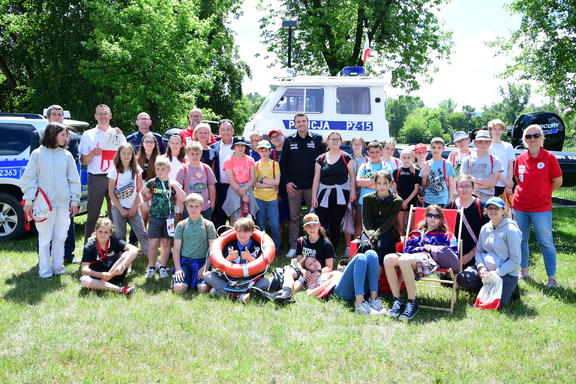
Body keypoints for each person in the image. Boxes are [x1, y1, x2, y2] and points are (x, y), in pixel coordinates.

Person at [21, 122, 81, 278]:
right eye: (62, 135)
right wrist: (28, 200)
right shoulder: (37, 154)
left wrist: (74, 202)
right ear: (52, 135)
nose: (65, 138)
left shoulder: (67, 155)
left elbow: (74, 180)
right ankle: (44, 270)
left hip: (62, 204)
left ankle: (58, 267)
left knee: (61, 237)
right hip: (43, 205)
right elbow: (29, 179)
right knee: (45, 238)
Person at [383, 205, 458, 320]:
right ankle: (397, 301)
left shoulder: (447, 235)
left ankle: (412, 303)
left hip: (430, 259)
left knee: (404, 260)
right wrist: (420, 248)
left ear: (441, 219)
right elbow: (407, 249)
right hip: (411, 257)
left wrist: (432, 248)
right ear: (425, 217)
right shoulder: (416, 234)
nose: (433, 218)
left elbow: (452, 253)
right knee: (388, 258)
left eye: (436, 216)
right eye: (430, 215)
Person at [513, 124, 562, 287]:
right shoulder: (520, 158)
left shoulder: (549, 158)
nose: (532, 139)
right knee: (521, 239)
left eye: (536, 135)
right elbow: (519, 181)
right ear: (524, 140)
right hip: (520, 205)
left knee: (546, 242)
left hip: (541, 207)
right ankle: (524, 270)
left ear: (541, 138)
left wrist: (543, 192)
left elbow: (557, 181)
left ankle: (551, 278)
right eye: (528, 136)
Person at [30, 104, 80, 264]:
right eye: (54, 114)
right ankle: (44, 262)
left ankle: (65, 258)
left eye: (60, 114)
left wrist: (74, 198)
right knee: (44, 232)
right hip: (44, 197)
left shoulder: (69, 146)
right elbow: (32, 174)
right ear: (48, 117)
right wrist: (30, 198)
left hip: (63, 196)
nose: (58, 117)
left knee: (63, 231)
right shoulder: (38, 145)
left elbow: (73, 174)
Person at [279, 113, 327, 258]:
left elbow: (324, 160)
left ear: (308, 122)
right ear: (294, 124)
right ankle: (293, 246)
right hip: (293, 187)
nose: (301, 124)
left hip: (312, 186)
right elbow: (283, 163)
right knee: (294, 217)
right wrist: (287, 182)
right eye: (298, 122)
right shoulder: (289, 140)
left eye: (303, 121)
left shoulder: (317, 138)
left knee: (314, 217)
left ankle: (315, 246)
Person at [79, 104, 126, 241]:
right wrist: (93, 153)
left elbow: (126, 157)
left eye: (105, 113)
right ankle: (89, 248)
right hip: (96, 178)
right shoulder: (88, 135)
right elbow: (84, 161)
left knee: (115, 215)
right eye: (100, 114)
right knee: (92, 216)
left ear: (110, 116)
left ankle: (116, 247)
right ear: (95, 116)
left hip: (115, 179)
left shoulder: (118, 134)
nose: (103, 116)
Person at [203, 217, 271, 304]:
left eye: (245, 231)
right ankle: (241, 296)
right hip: (231, 279)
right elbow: (221, 267)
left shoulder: (257, 246)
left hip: (250, 279)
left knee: (265, 282)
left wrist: (250, 258)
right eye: (239, 231)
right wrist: (230, 258)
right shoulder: (231, 245)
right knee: (208, 275)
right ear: (235, 232)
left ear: (251, 232)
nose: (242, 234)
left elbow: (262, 268)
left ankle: (222, 292)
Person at [299, 250, 387, 315]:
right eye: (309, 264)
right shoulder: (313, 277)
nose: (314, 264)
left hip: (356, 285)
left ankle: (374, 299)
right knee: (360, 257)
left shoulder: (324, 272)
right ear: (308, 270)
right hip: (341, 291)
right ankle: (360, 304)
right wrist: (328, 282)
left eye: (314, 261)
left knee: (371, 253)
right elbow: (309, 294)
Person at [140, 157, 186, 279]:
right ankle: (151, 267)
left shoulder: (173, 183)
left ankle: (163, 267)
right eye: (158, 169)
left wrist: (175, 186)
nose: (160, 171)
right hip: (155, 216)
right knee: (153, 243)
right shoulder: (153, 182)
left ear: (169, 170)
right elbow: (141, 193)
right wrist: (143, 204)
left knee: (166, 243)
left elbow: (184, 197)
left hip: (169, 218)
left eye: (163, 169)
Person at [273, 213, 335, 303]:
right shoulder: (301, 241)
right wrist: (303, 271)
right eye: (308, 226)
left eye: (314, 225)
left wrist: (317, 273)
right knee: (289, 271)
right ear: (304, 228)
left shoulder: (326, 244)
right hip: (303, 269)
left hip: (316, 271)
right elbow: (298, 261)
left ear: (319, 226)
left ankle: (277, 295)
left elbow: (329, 267)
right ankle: (286, 293)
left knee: (299, 283)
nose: (312, 228)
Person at [311, 131, 357, 250]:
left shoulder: (346, 157)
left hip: (341, 194)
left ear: (341, 142)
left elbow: (352, 176)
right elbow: (316, 179)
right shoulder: (320, 159)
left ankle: (333, 250)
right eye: (332, 139)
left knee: (335, 223)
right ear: (328, 141)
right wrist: (314, 197)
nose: (335, 141)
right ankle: (321, 249)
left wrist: (352, 192)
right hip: (323, 194)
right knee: (322, 223)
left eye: (337, 139)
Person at [445, 174, 489, 290]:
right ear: (456, 188)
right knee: (445, 281)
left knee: (467, 280)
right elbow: (445, 233)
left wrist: (469, 256)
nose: (464, 189)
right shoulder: (450, 205)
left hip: (478, 255)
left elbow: (487, 236)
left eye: (467, 186)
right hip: (456, 256)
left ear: (473, 188)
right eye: (461, 186)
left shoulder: (482, 206)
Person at [476, 197, 521, 308]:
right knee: (465, 279)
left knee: (499, 304)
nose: (493, 211)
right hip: (486, 271)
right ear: (486, 211)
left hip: (505, 273)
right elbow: (479, 251)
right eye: (490, 208)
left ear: (503, 210)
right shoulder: (484, 228)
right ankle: (487, 286)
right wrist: (481, 268)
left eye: (496, 208)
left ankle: (511, 288)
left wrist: (496, 273)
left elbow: (515, 260)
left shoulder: (511, 230)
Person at [107, 143, 150, 253]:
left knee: (142, 233)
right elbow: (111, 192)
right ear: (119, 155)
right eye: (124, 153)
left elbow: (139, 190)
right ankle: (123, 258)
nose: (126, 156)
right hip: (118, 208)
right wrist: (121, 209)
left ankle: (151, 257)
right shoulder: (114, 172)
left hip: (133, 207)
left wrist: (134, 207)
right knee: (120, 235)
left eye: (129, 154)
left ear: (132, 155)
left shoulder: (137, 170)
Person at [79, 218, 138, 297]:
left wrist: (123, 265)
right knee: (83, 280)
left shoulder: (114, 241)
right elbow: (84, 270)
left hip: (115, 275)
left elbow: (135, 250)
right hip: (98, 277)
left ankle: (97, 288)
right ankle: (122, 289)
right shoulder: (89, 246)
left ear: (110, 233)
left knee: (127, 253)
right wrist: (101, 275)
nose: (102, 235)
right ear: (96, 231)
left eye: (106, 232)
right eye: (100, 231)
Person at [172, 193, 218, 294]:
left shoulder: (208, 225)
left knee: (203, 289)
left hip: (203, 262)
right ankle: (185, 279)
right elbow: (176, 249)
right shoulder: (181, 225)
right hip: (185, 262)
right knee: (179, 289)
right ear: (186, 207)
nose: (193, 209)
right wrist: (178, 268)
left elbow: (212, 249)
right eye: (191, 206)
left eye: (196, 206)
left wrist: (205, 267)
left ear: (202, 207)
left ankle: (196, 281)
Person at [361, 170, 403, 267]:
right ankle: (364, 276)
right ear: (375, 184)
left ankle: (377, 278)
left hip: (388, 230)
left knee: (381, 246)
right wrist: (371, 235)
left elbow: (390, 222)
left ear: (390, 183)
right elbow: (366, 220)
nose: (382, 186)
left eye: (385, 183)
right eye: (379, 183)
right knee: (366, 246)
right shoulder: (367, 198)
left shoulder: (397, 200)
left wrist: (375, 237)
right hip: (370, 229)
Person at [176, 141, 217, 221]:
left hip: (205, 208)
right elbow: (178, 190)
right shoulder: (183, 169)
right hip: (189, 208)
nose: (195, 156)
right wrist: (182, 209)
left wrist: (211, 207)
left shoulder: (206, 168)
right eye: (192, 154)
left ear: (201, 153)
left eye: (197, 153)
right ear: (187, 154)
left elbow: (212, 188)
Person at [222, 136, 259, 223]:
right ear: (233, 147)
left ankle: (246, 235)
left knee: (247, 216)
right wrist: (243, 194)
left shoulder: (250, 159)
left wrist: (245, 190)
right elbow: (231, 180)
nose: (240, 147)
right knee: (234, 216)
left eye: (242, 145)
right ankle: (234, 235)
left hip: (247, 187)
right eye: (237, 145)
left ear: (245, 147)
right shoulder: (228, 160)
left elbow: (253, 178)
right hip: (235, 188)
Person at [254, 140, 281, 250]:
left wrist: (261, 181)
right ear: (258, 151)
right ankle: (262, 246)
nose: (264, 153)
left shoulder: (275, 164)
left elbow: (277, 182)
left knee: (275, 224)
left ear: (270, 151)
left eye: (266, 150)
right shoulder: (256, 165)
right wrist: (269, 183)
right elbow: (254, 183)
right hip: (259, 197)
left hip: (272, 198)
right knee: (261, 224)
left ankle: (277, 246)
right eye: (261, 150)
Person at [461, 129, 503, 202]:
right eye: (480, 142)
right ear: (475, 143)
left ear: (490, 143)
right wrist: (485, 184)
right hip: (470, 197)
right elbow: (464, 181)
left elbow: (493, 182)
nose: (483, 144)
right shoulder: (467, 160)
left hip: (488, 199)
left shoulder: (495, 160)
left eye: (486, 142)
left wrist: (472, 180)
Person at [211, 119, 237, 229]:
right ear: (219, 131)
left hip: (237, 187)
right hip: (220, 187)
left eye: (228, 129)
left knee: (236, 217)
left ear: (233, 131)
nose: (226, 132)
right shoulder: (213, 148)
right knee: (220, 216)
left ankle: (236, 242)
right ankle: (219, 243)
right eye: (223, 129)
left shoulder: (240, 146)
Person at [268, 129, 290, 249]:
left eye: (278, 136)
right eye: (273, 137)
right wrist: (276, 193)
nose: (276, 138)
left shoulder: (290, 151)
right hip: (278, 190)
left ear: (283, 136)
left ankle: (293, 243)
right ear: (271, 141)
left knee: (292, 219)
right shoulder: (271, 154)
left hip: (291, 189)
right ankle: (279, 243)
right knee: (280, 218)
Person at [356, 140, 392, 214]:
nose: (374, 154)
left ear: (381, 152)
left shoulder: (386, 167)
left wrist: (366, 182)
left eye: (377, 152)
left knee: (381, 225)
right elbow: (359, 182)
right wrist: (378, 182)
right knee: (366, 225)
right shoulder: (364, 166)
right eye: (372, 152)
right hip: (364, 201)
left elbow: (386, 184)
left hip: (382, 201)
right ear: (368, 153)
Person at [393, 149, 422, 236]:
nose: (406, 160)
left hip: (412, 201)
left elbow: (416, 189)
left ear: (413, 158)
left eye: (408, 157)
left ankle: (410, 246)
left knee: (411, 227)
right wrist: (401, 201)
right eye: (404, 158)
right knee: (400, 227)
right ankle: (401, 246)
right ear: (400, 158)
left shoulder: (416, 171)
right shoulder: (396, 171)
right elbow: (394, 188)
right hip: (400, 201)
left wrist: (407, 201)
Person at [420, 137, 454, 206]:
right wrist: (424, 176)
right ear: (430, 148)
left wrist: (450, 200)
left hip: (443, 200)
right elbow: (424, 185)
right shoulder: (426, 164)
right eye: (434, 147)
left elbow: (451, 184)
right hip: (428, 200)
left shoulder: (447, 164)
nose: (436, 150)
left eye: (439, 147)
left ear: (443, 149)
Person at [347, 136, 367, 253]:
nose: (357, 146)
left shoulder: (368, 160)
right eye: (354, 143)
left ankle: (357, 245)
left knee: (359, 220)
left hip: (363, 192)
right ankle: (348, 246)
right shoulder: (347, 158)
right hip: (348, 191)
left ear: (363, 146)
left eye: (359, 143)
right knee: (348, 219)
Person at [137, 132, 161, 228]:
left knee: (153, 218)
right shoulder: (136, 159)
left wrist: (151, 193)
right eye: (146, 141)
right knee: (142, 216)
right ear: (142, 143)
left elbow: (161, 178)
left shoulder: (160, 159)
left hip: (155, 189)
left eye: (151, 141)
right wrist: (142, 194)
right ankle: (142, 240)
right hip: (141, 188)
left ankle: (154, 240)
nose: (149, 143)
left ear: (155, 144)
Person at [488, 119, 515, 198]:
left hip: (505, 186)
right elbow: (491, 168)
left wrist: (509, 183)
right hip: (490, 184)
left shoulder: (508, 146)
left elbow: (510, 166)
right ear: (490, 130)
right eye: (495, 129)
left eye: (500, 129)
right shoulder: (487, 146)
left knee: (504, 209)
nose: (497, 131)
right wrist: (505, 180)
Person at [163, 134, 186, 223]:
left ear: (182, 145)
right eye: (172, 143)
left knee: (177, 218)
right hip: (166, 192)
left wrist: (178, 192)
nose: (174, 145)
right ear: (168, 144)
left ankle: (176, 237)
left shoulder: (186, 160)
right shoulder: (163, 159)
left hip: (180, 193)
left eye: (177, 143)